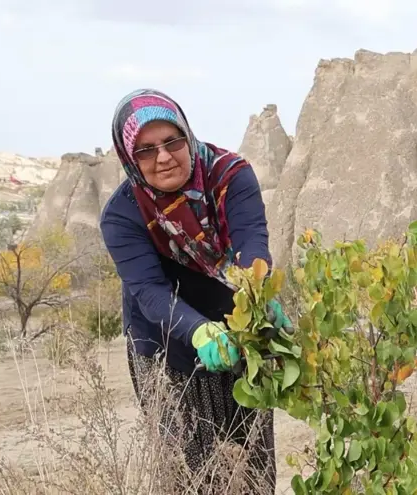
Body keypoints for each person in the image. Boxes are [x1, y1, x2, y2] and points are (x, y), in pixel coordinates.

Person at [99, 88, 291, 493]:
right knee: (189, 474)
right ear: (130, 158)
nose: (163, 157)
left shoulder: (230, 176)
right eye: (146, 150)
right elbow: (148, 290)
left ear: (187, 135)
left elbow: (252, 243)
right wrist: (200, 331)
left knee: (253, 468)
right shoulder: (123, 214)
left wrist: (258, 298)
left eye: (172, 141)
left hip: (238, 331)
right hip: (165, 346)